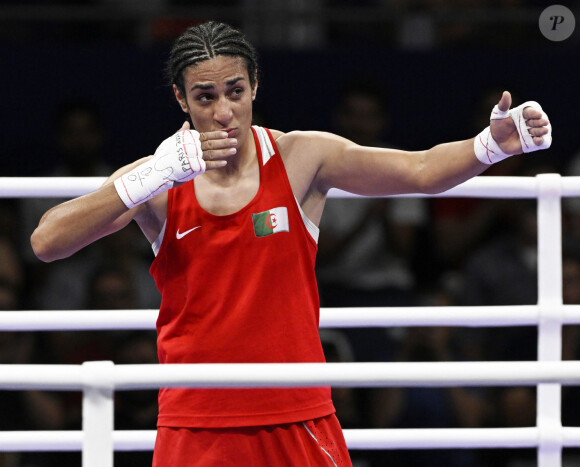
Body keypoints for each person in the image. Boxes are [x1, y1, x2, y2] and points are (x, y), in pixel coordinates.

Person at [30, 21, 552, 467]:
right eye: (205, 97)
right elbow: (48, 241)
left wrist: (490, 146)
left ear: (255, 85)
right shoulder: (159, 183)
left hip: (297, 415)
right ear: (180, 99)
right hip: (195, 422)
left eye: (235, 91)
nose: (223, 112)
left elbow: (418, 170)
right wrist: (154, 175)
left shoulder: (302, 158)